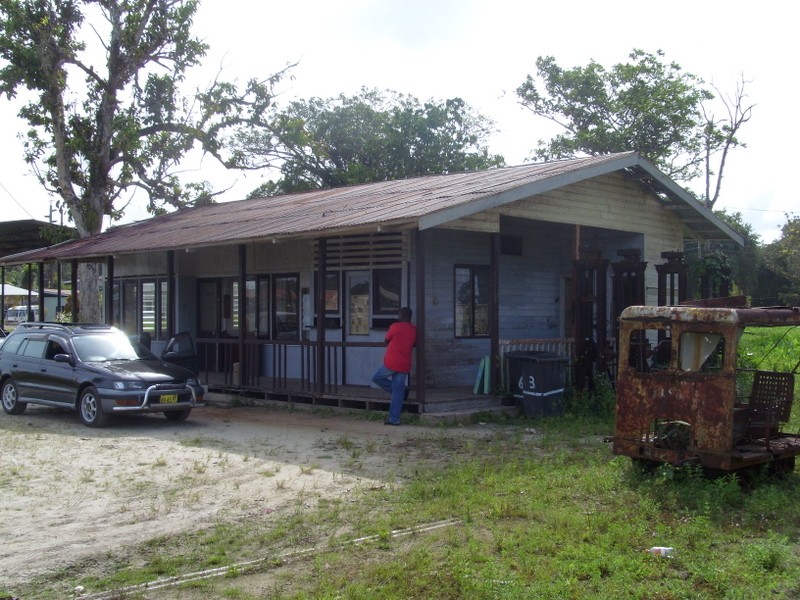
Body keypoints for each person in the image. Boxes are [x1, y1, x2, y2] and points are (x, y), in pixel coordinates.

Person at [372, 306, 417, 425]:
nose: (398, 316)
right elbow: (414, 343)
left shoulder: (395, 326)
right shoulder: (413, 329)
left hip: (392, 362)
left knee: (376, 378)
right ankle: (394, 419)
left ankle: (401, 393)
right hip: (405, 363)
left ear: (402, 316)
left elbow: (386, 339)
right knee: (398, 390)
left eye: (399, 314)